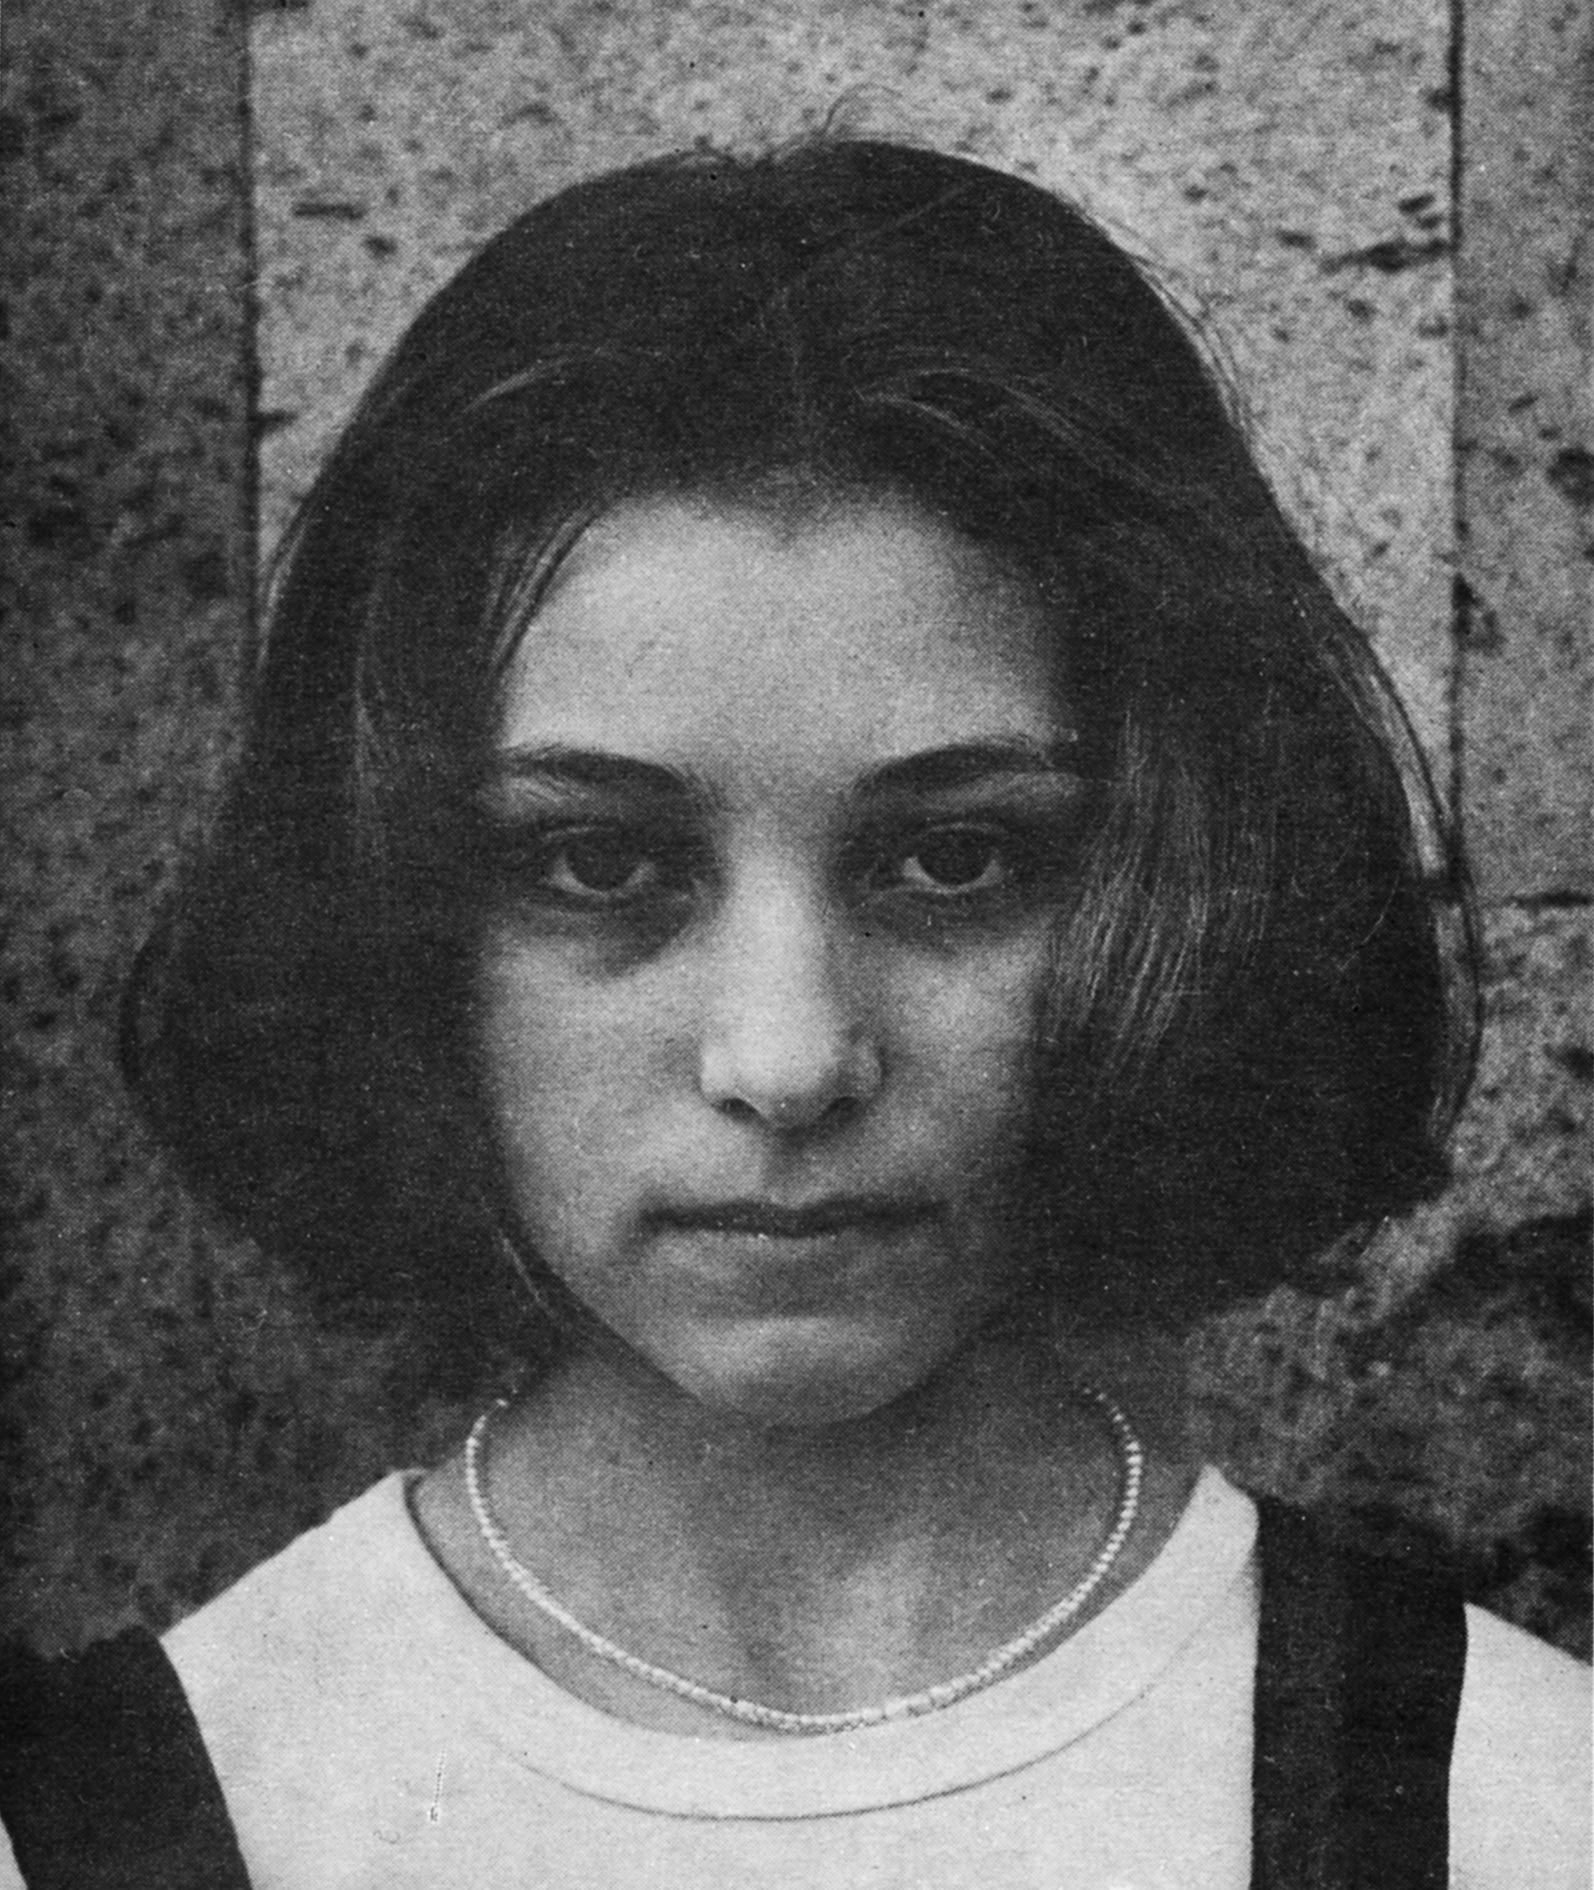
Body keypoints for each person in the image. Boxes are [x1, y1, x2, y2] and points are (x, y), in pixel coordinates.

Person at [0, 139, 1586, 1889]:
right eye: (599, 864)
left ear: (1181, 880)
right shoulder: (106, 1827)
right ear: (392, 911)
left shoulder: (1527, 1808)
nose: (788, 1060)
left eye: (957, 859)